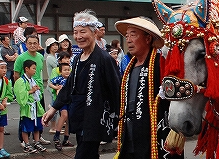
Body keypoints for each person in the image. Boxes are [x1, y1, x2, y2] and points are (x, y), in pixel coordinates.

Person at [42, 9, 121, 159]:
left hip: (95, 117)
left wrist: (117, 120)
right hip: (79, 115)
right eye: (76, 32)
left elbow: (116, 90)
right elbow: (69, 87)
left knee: (83, 154)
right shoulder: (77, 59)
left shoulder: (104, 59)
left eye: (82, 32)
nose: (78, 36)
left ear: (94, 32)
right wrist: (53, 108)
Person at [114, 16, 184, 159]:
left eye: (133, 35)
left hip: (154, 135)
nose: (128, 40)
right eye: (127, 36)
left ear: (148, 39)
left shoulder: (161, 64)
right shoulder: (129, 67)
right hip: (130, 135)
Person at [14, 35, 50, 146]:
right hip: (27, 92)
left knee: (39, 115)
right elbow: (16, 75)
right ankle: (24, 141)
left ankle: (38, 138)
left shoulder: (40, 56)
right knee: (26, 116)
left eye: (35, 43)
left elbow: (39, 72)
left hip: (39, 91)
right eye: (30, 43)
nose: (32, 45)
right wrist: (23, 90)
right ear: (26, 44)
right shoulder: (21, 58)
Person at [14, 60, 47, 153]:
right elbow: (20, 96)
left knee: (37, 126)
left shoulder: (33, 80)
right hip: (28, 107)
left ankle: (36, 142)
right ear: (26, 69)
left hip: (36, 106)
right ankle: (26, 144)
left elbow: (39, 95)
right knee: (26, 126)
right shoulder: (21, 81)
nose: (35, 71)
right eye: (33, 68)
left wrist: (37, 90)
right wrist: (31, 91)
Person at [49, 63, 73, 151]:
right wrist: (56, 88)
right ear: (60, 71)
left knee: (69, 119)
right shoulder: (59, 78)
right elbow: (50, 83)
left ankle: (66, 139)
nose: (67, 72)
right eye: (65, 70)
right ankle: (57, 136)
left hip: (70, 100)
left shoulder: (72, 79)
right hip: (62, 101)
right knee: (64, 115)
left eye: (68, 70)